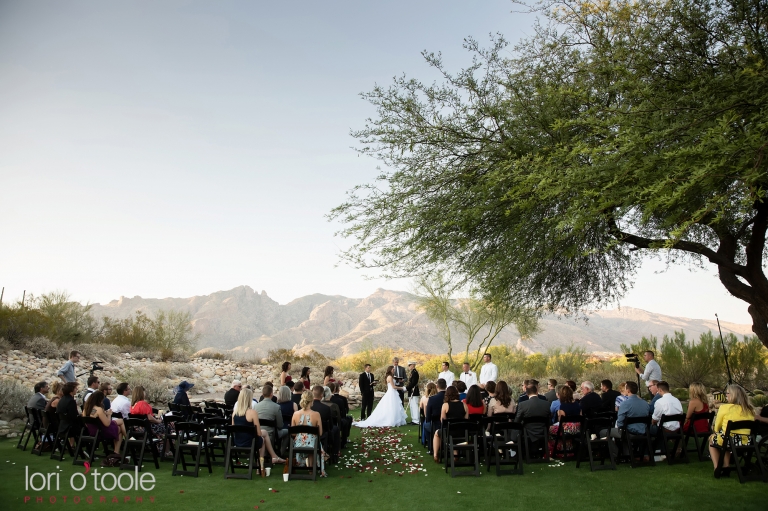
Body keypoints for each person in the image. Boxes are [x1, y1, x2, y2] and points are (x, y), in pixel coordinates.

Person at [709, 384, 755, 472]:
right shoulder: (750, 410)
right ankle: (726, 466)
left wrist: (715, 431)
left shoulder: (725, 408)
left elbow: (717, 426)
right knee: (725, 438)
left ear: (734, 395)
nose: (726, 395)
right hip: (746, 442)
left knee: (713, 439)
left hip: (729, 440)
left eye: (728, 393)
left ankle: (717, 468)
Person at [607, 381, 650, 458]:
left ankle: (617, 454)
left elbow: (620, 422)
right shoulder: (645, 403)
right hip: (643, 430)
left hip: (629, 431)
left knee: (604, 432)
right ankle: (627, 454)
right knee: (622, 432)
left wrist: (621, 427)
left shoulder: (625, 404)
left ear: (628, 390)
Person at [231, 387, 267, 477]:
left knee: (263, 435)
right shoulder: (252, 412)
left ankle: (269, 460)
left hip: (238, 442)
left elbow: (233, 429)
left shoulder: (234, 413)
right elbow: (258, 433)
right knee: (263, 439)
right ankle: (260, 466)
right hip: (250, 442)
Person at [291, 390, 325, 477]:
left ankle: (305, 466)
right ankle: (311, 469)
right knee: (313, 441)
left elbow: (293, 433)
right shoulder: (316, 414)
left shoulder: (295, 414)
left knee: (309, 441)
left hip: (298, 444)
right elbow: (320, 433)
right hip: (312, 444)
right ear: (312, 400)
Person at [82, 390, 126, 455]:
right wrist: (109, 415)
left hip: (92, 431)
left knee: (120, 422)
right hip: (102, 432)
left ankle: (119, 449)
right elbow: (107, 424)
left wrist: (104, 413)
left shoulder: (86, 409)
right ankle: (124, 443)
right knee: (119, 429)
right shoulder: (99, 409)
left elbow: (90, 418)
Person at [130, 385, 169, 454]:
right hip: (147, 427)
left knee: (165, 427)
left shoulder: (133, 405)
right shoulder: (142, 403)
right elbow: (148, 417)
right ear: (141, 393)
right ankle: (166, 450)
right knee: (168, 427)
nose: (145, 393)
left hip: (138, 428)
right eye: (144, 392)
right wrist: (158, 420)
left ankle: (161, 448)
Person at [432, 386, 468, 462]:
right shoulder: (464, 405)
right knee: (453, 432)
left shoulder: (445, 405)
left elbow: (442, 420)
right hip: (462, 432)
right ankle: (455, 454)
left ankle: (435, 454)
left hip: (449, 432)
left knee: (436, 433)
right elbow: (466, 419)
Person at [253, 385, 288, 462]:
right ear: (271, 394)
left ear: (262, 394)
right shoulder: (276, 406)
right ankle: (281, 453)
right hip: (272, 433)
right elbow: (280, 425)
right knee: (288, 431)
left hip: (258, 432)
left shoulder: (256, 406)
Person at [548, 385, 581, 456]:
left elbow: (561, 421)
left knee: (549, 430)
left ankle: (556, 449)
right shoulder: (577, 404)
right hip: (578, 428)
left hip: (566, 430)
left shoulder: (562, 406)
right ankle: (568, 447)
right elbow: (581, 415)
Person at [311, 385, 341, 458]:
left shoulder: (307, 407)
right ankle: (335, 452)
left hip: (307, 432)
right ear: (322, 395)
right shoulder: (326, 408)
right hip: (322, 432)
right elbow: (330, 426)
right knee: (335, 428)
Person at [424, 379, 447, 445]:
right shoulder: (451, 398)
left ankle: (431, 445)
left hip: (436, 424)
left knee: (426, 425)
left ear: (437, 386)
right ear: (446, 386)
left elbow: (428, 417)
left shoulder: (432, 399)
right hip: (450, 424)